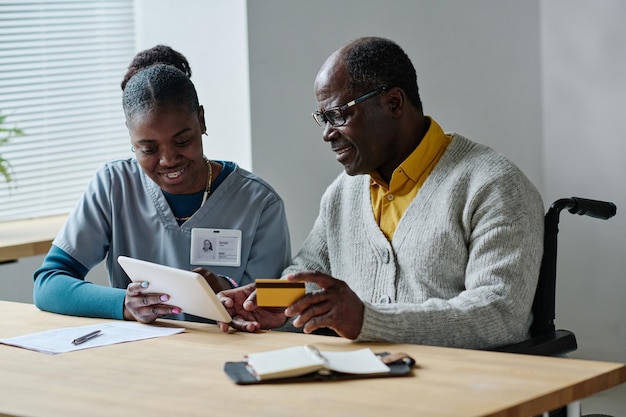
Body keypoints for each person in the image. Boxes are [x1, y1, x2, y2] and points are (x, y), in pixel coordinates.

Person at [217, 37, 544, 350]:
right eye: (323, 118)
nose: (327, 134)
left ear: (393, 103)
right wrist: (270, 301)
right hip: (357, 383)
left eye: (338, 115)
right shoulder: (342, 193)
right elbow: (308, 275)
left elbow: (499, 313)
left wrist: (368, 320)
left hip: (455, 392)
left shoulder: (494, 185)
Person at [33, 45, 291, 324]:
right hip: (141, 355)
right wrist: (123, 303)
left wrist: (228, 289)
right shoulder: (114, 185)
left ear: (201, 120)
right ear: (131, 138)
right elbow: (48, 284)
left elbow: (281, 301)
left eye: (182, 141)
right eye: (148, 149)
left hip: (227, 354)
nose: (168, 160)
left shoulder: (259, 202)